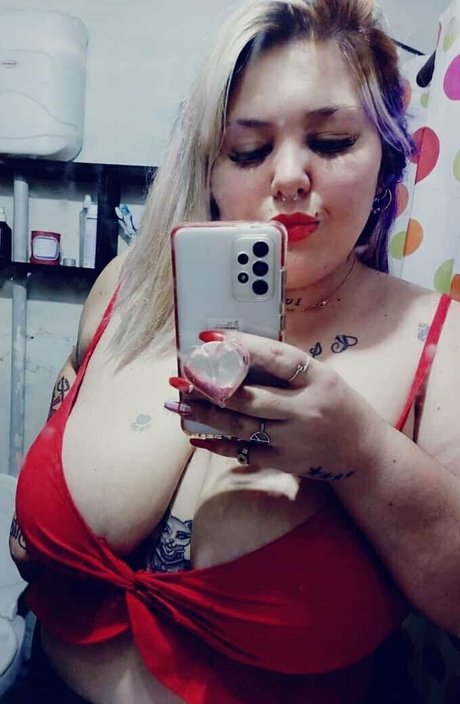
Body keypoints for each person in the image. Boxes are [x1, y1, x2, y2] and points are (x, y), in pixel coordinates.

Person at [8, 0, 460, 702]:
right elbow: (42, 488)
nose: (289, 176)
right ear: (209, 168)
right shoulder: (125, 289)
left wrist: (361, 454)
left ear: (387, 155)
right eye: (247, 149)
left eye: (331, 141)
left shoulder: (440, 343)